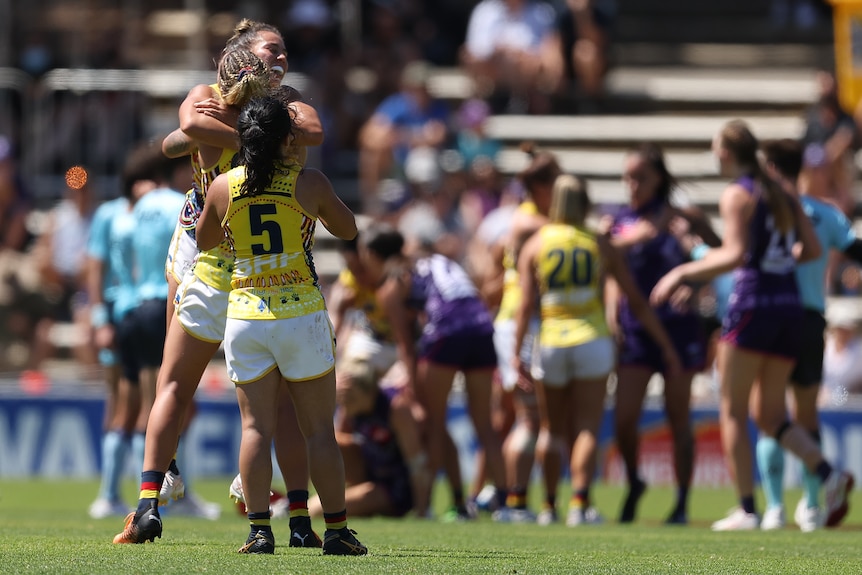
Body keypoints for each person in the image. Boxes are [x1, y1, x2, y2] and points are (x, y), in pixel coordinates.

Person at [114, 26, 323, 544]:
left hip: (216, 255)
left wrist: (218, 134)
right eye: (271, 48)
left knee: (175, 382)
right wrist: (266, 142)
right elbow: (179, 136)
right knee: (278, 403)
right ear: (242, 58)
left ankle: (151, 498)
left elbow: (180, 135)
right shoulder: (277, 113)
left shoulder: (241, 104)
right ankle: (294, 516)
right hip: (259, 265)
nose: (282, 55)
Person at [650, 119, 854, 531]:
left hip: (752, 305)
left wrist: (683, 273)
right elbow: (811, 248)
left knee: (733, 407)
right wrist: (778, 264)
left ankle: (747, 508)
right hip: (788, 306)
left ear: (727, 152)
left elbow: (736, 256)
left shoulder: (739, 194)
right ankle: (829, 473)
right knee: (771, 413)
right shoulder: (782, 193)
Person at [195, 94, 364, 555]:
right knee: (317, 432)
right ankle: (336, 530)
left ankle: (258, 531)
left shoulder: (224, 186)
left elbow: (206, 240)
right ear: (287, 140)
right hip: (300, 314)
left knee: (256, 430)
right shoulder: (308, 182)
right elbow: (348, 229)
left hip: (246, 315)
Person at [516, 174, 682, 527]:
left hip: (552, 340)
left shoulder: (536, 244)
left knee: (550, 429)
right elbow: (635, 300)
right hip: (592, 339)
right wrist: (665, 343)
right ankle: (580, 504)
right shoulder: (598, 243)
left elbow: (524, 304)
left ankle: (547, 507)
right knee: (588, 427)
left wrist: (516, 352)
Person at [755, 138, 862, 531]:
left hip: (772, 316)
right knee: (804, 413)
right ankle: (814, 506)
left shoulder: (767, 210)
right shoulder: (826, 214)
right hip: (812, 319)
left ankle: (773, 509)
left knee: (769, 414)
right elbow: (856, 251)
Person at [605, 142, 714, 525]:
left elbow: (723, 255)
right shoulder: (618, 222)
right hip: (635, 331)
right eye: (627, 177)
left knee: (678, 418)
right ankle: (635, 481)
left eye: (640, 178)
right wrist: (611, 312)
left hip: (679, 327)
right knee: (623, 419)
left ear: (659, 179)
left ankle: (682, 502)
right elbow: (611, 272)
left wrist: (697, 284)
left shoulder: (683, 219)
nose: (632, 185)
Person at [491, 143, 562, 523]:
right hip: (521, 323)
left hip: (526, 322)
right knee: (529, 418)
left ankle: (512, 498)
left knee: (526, 417)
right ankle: (514, 502)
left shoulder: (534, 217)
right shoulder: (529, 221)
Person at [308, 360, 432, 518]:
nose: (344, 402)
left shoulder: (396, 408)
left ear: (369, 391)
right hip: (371, 475)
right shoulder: (351, 407)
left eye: (350, 396)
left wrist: (423, 511)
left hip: (396, 487)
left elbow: (417, 463)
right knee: (327, 443)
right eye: (342, 397)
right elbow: (336, 445)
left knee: (318, 511)